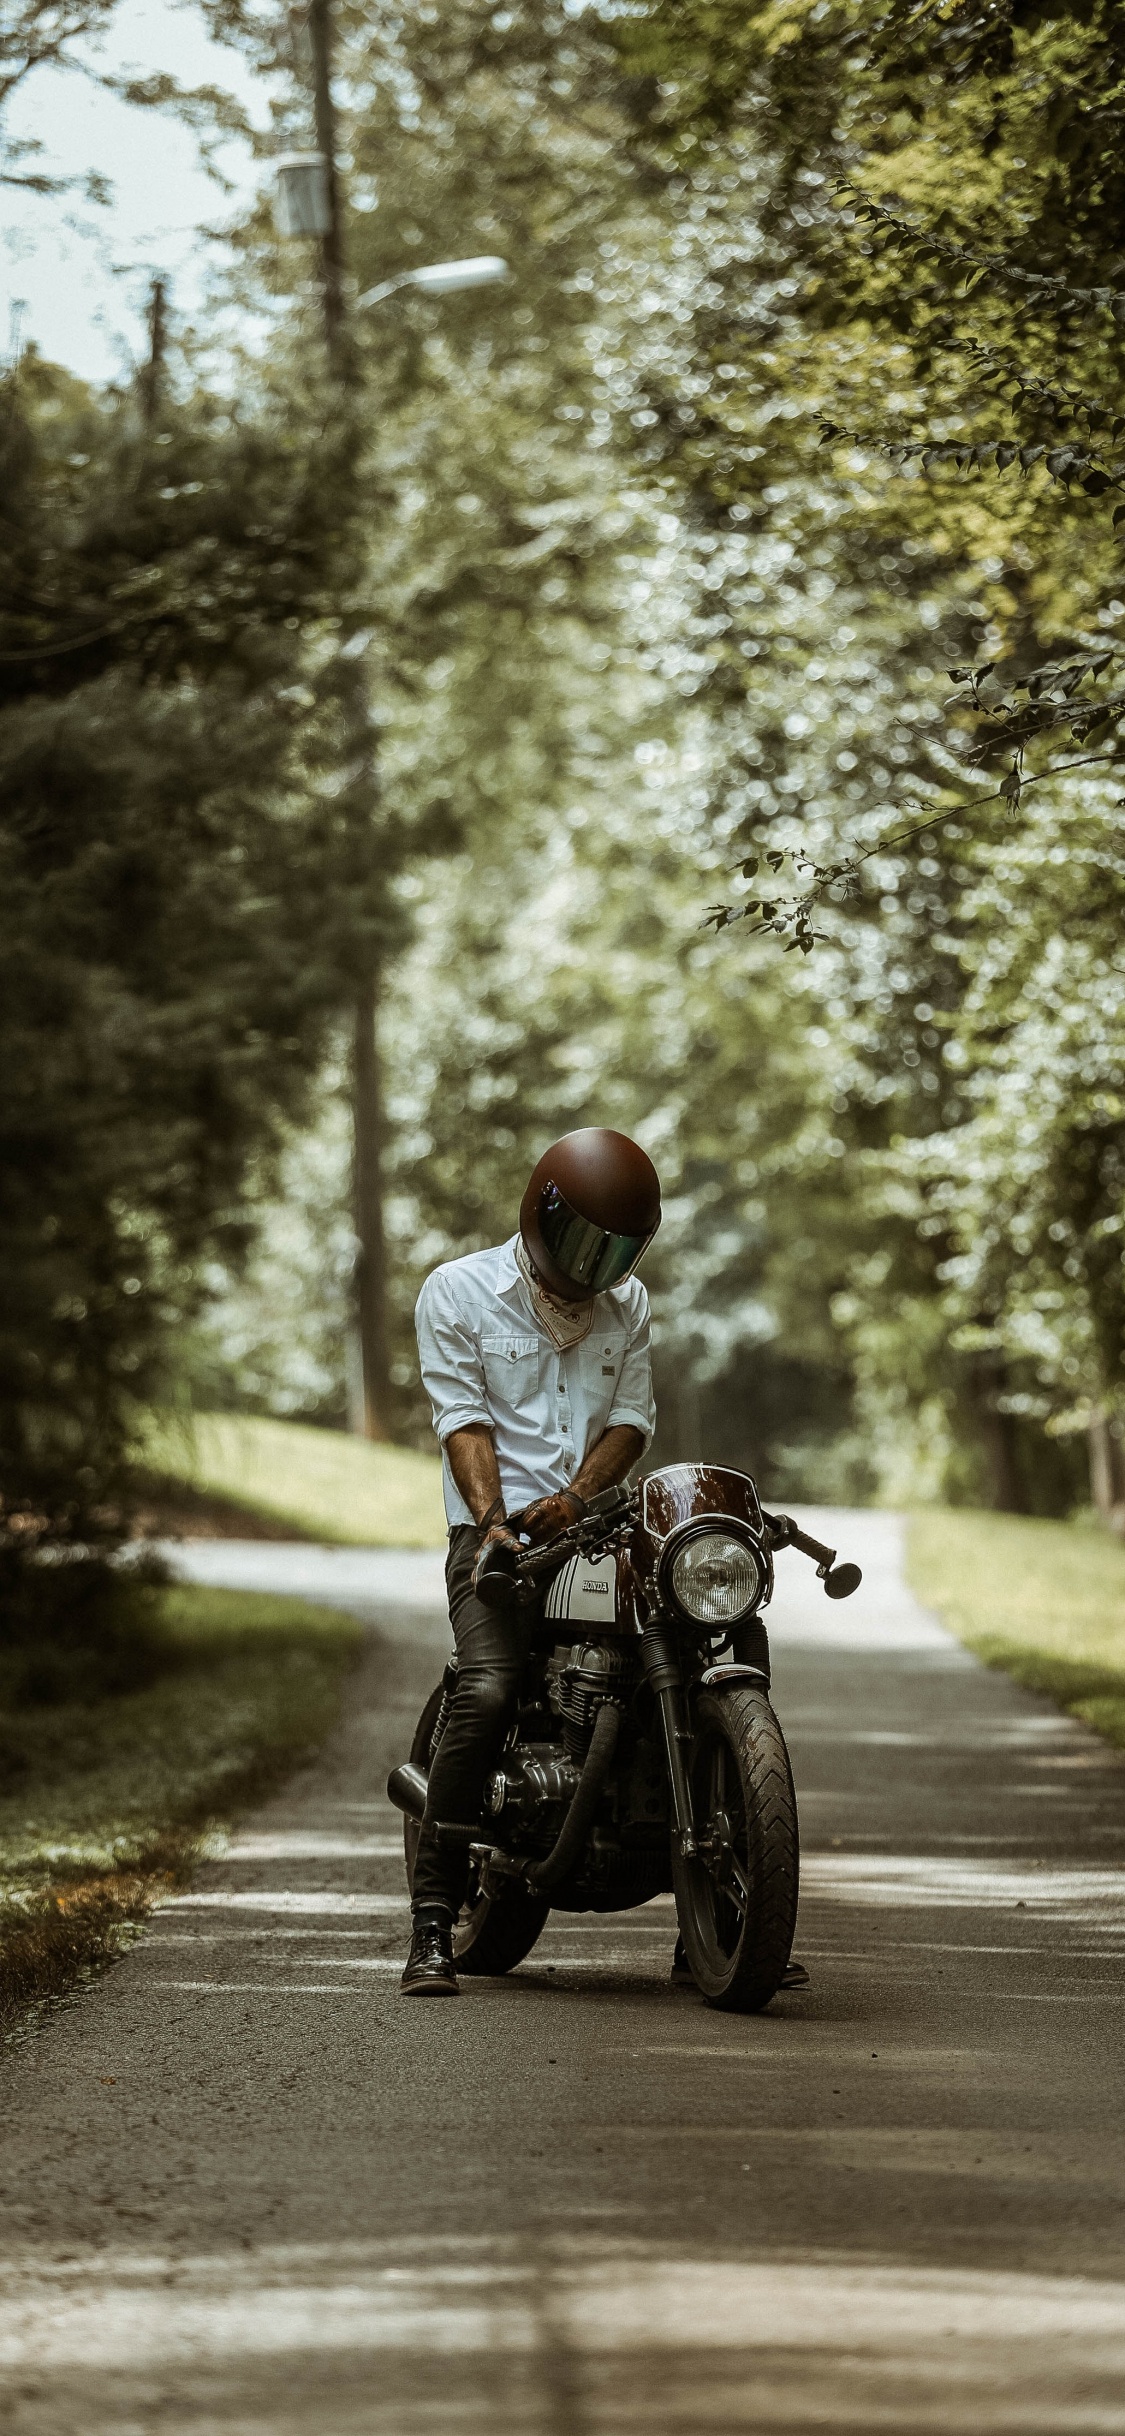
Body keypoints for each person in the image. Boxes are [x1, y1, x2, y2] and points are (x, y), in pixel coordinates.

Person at [401, 1126, 661, 1996]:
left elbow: (631, 1419)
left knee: (700, 1652)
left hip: (590, 1527)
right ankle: (432, 1923)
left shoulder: (629, 1306)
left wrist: (580, 1500)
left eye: (616, 1248)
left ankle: (726, 1913)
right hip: (496, 1533)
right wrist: (495, 1524)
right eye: (586, 1239)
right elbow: (461, 1419)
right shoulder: (459, 1291)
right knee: (487, 1685)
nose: (596, 1263)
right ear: (542, 1212)